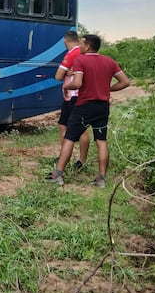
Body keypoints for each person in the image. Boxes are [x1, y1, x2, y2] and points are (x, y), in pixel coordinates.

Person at [47, 34, 130, 188]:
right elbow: (125, 82)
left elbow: (77, 83)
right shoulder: (109, 61)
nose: (80, 45)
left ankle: (57, 175)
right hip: (103, 107)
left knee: (69, 138)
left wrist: (66, 86)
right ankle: (101, 179)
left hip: (84, 105)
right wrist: (108, 89)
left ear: (88, 46)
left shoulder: (80, 60)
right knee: (101, 141)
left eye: (82, 43)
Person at [54, 30, 90, 169]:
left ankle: (78, 160)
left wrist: (65, 73)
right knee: (64, 124)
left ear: (65, 40)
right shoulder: (83, 53)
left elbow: (58, 76)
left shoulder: (72, 53)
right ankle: (70, 157)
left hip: (74, 95)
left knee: (79, 129)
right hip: (75, 95)